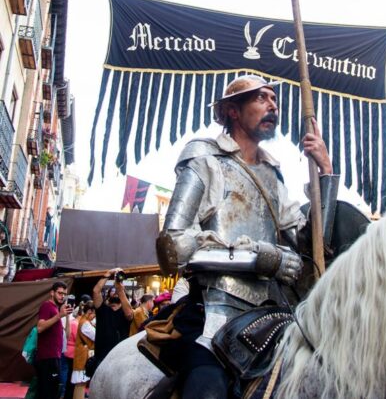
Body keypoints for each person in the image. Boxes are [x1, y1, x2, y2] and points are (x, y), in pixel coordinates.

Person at [155, 75, 338, 399]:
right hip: (213, 315)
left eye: (273, 98)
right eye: (261, 98)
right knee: (206, 390)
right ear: (233, 111)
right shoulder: (205, 159)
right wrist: (261, 259)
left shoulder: (272, 175)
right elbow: (173, 246)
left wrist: (325, 173)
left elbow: (310, 246)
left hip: (273, 318)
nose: (272, 105)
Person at [36, 281, 73, 399]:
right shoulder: (47, 306)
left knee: (51, 392)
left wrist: (65, 316)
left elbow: (66, 335)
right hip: (48, 358)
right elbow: (40, 328)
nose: (62, 296)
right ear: (52, 293)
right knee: (48, 393)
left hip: (55, 357)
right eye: (59, 293)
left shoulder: (56, 309)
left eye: (64, 294)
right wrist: (59, 316)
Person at [92, 268, 134, 367]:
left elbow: (129, 315)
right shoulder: (103, 310)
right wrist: (108, 274)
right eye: (113, 291)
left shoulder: (125, 312)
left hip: (119, 358)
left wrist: (120, 290)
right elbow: (96, 291)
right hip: (101, 357)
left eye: (117, 292)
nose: (115, 293)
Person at [71, 301, 96, 399]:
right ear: (89, 311)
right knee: (80, 384)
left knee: (80, 384)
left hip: (82, 355)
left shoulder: (84, 321)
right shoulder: (85, 323)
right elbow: (96, 336)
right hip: (82, 357)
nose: (94, 316)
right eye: (94, 313)